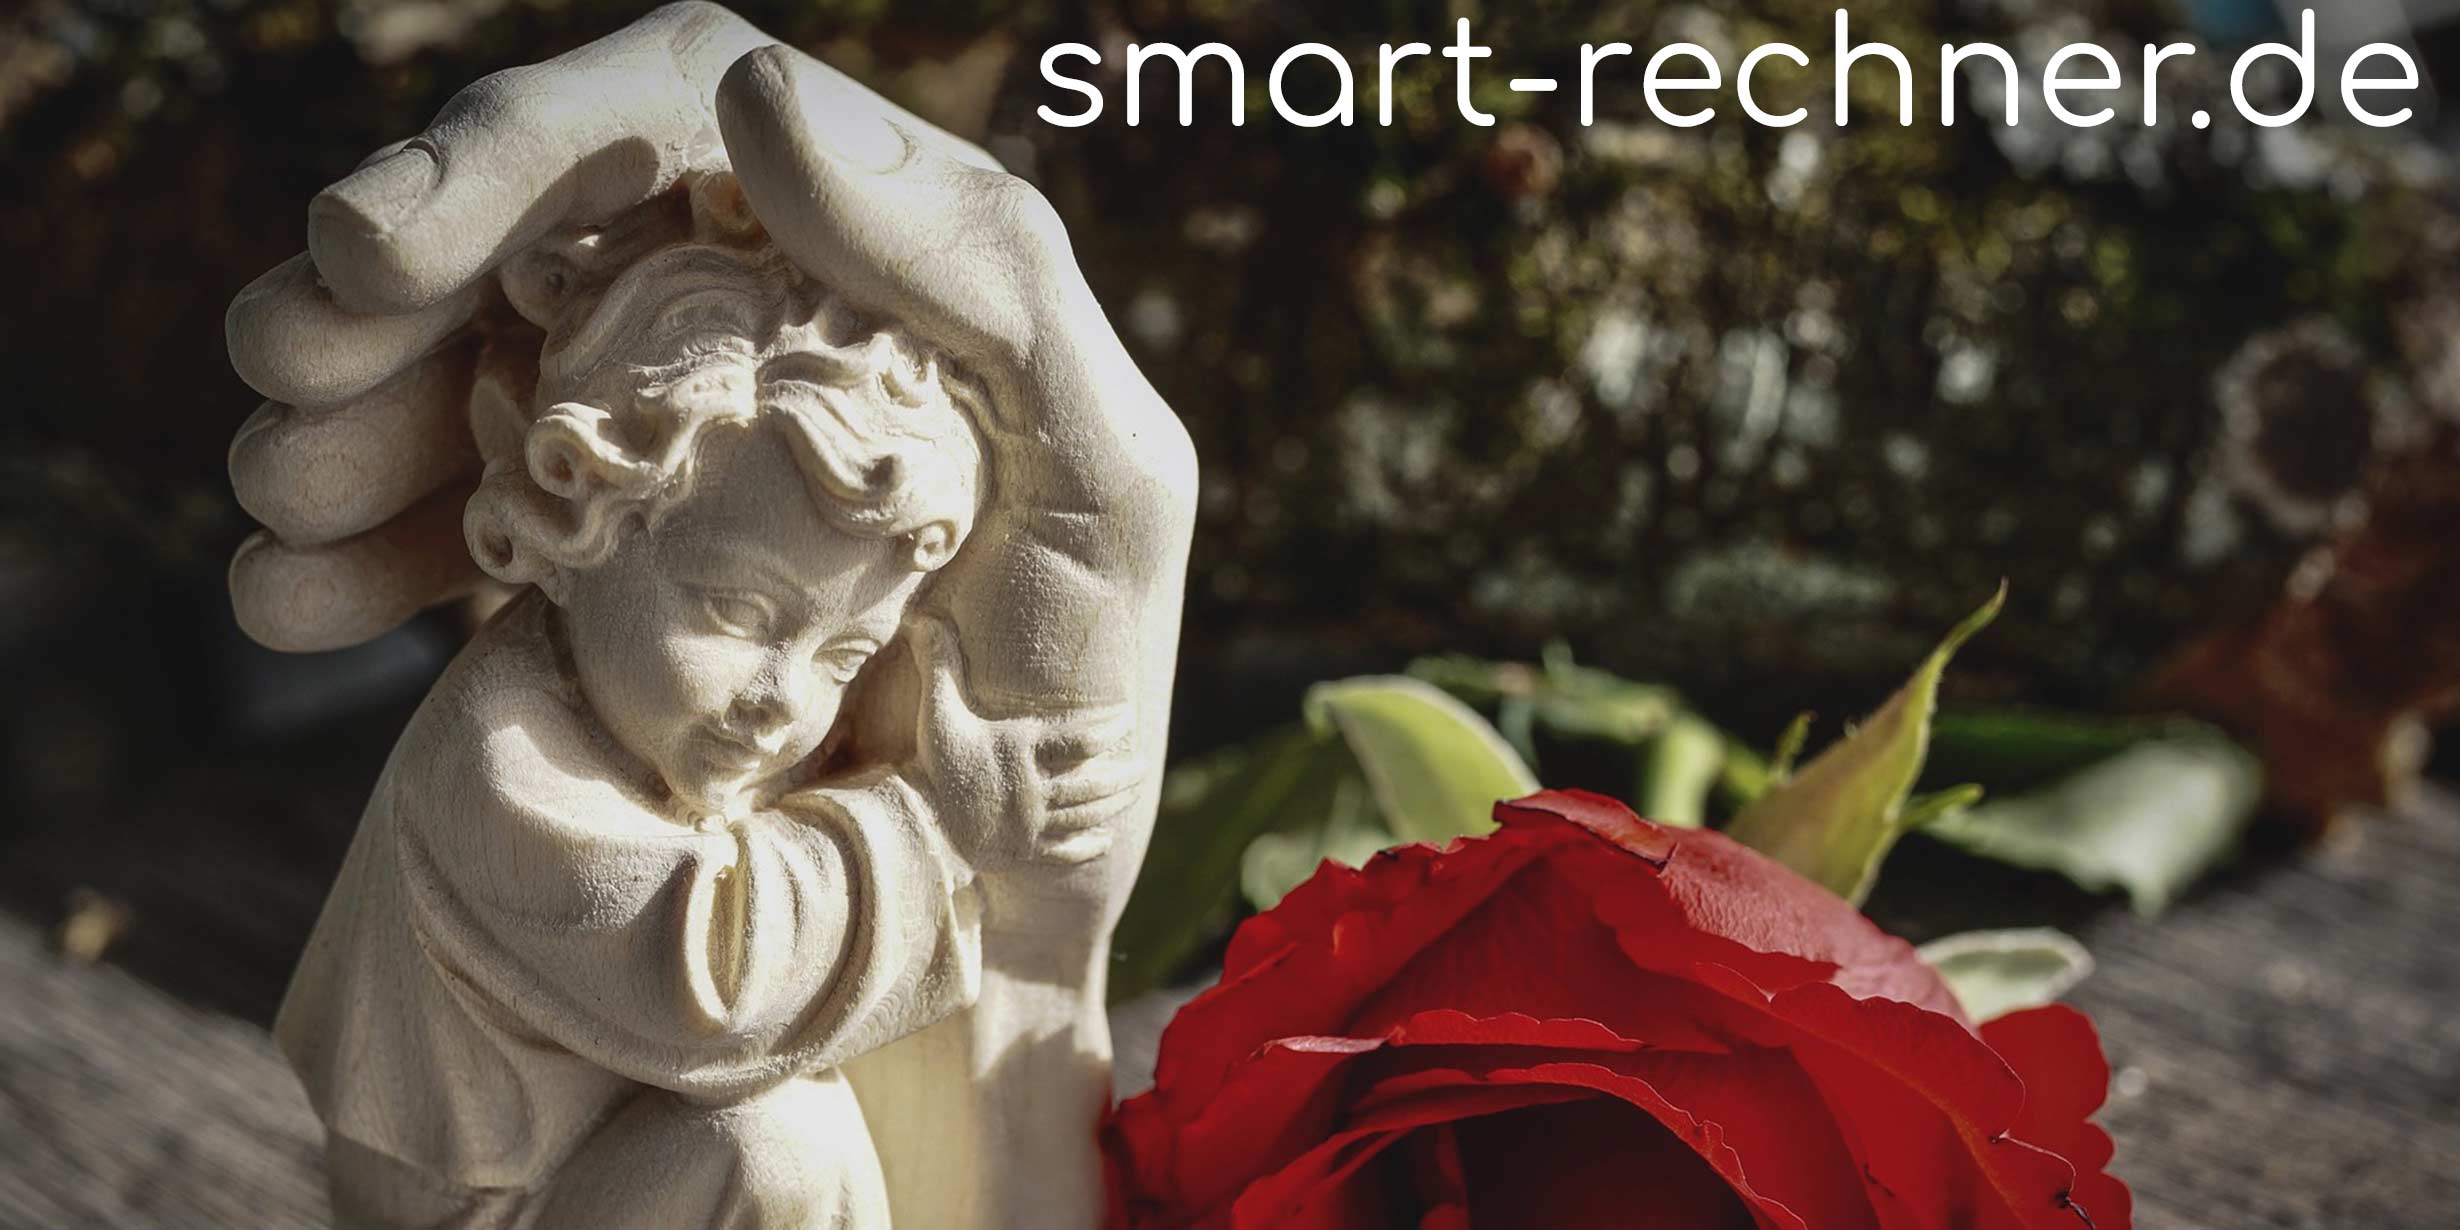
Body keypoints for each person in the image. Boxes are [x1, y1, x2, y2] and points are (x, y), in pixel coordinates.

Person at [225, 6, 1197, 1226]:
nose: (785, 698)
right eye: (739, 609)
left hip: (599, 1174)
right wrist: (941, 822)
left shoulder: (669, 718)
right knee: (771, 1153)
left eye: (846, 651)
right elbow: (714, 982)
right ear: (567, 512)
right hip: (480, 1211)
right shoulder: (503, 765)